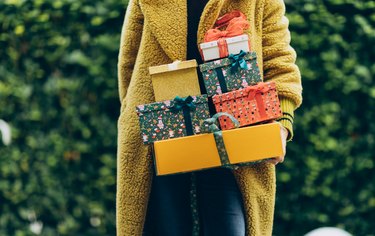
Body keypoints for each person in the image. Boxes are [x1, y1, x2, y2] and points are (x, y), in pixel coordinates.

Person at [117, 0, 302, 235]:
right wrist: (136, 120)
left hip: (236, 141)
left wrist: (282, 124)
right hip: (163, 139)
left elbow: (281, 64)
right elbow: (130, 68)